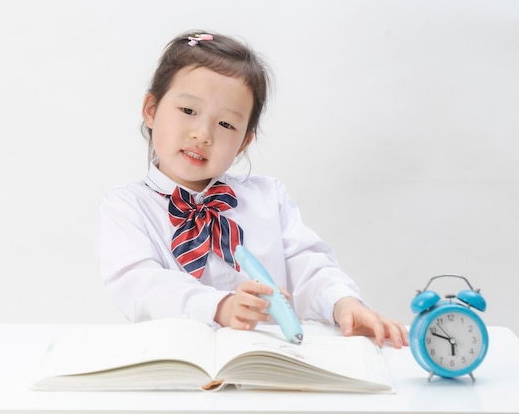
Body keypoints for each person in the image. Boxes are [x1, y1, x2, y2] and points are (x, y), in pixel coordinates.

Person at [97, 30, 408, 348]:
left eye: (226, 124)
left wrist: (343, 302)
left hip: (268, 367)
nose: (203, 135)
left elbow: (307, 265)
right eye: (188, 111)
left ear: (244, 141)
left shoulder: (267, 198)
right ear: (151, 109)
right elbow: (140, 285)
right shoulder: (126, 206)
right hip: (176, 369)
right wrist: (221, 307)